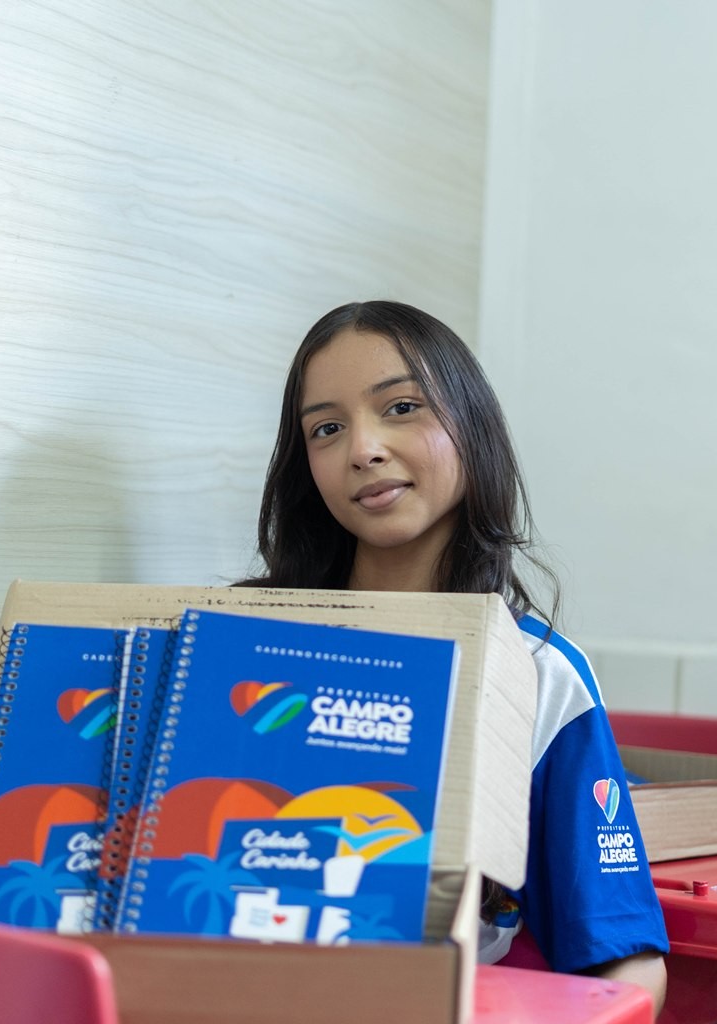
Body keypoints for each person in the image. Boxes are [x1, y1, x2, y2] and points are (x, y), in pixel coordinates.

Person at [239, 300, 669, 1010]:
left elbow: (629, 966)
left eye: (401, 407)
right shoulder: (241, 647)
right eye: (327, 428)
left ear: (472, 424)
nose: (363, 449)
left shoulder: (538, 673)